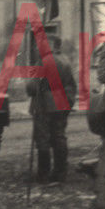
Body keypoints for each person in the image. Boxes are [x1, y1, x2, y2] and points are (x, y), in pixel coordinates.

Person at [27, 35, 77, 184]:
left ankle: (43, 174)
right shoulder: (65, 60)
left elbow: (32, 87)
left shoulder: (44, 61)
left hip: (44, 105)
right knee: (59, 137)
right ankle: (60, 174)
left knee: (43, 139)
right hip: (62, 102)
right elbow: (72, 85)